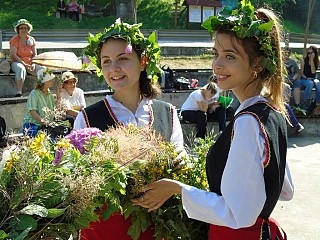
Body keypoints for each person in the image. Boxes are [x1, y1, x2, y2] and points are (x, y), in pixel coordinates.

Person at [133, 1, 294, 240]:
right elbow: (285, 189)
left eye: (230, 56)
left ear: (257, 64)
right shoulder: (272, 112)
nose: (217, 64)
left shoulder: (249, 121)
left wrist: (177, 188)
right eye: (216, 54)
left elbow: (236, 213)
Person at [74, 18, 184, 240]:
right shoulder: (87, 118)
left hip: (157, 229)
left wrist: (181, 162)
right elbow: (77, 179)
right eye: (106, 61)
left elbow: (180, 164)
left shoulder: (168, 113)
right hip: (104, 231)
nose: (114, 68)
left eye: (122, 59)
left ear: (143, 61)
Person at [9, 19, 45, 97]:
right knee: (20, 69)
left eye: (25, 28)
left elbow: (35, 54)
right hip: (17, 62)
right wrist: (25, 64)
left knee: (42, 69)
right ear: (18, 30)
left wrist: (33, 63)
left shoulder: (31, 39)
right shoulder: (14, 40)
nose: (23, 30)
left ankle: (42, 89)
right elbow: (13, 55)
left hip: (30, 62)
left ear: (28, 30)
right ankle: (19, 92)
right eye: (21, 28)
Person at [22, 68, 58, 137]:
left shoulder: (49, 93)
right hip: (31, 125)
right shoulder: (34, 93)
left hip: (45, 125)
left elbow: (54, 109)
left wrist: (58, 95)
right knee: (43, 136)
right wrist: (45, 122)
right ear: (45, 82)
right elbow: (33, 112)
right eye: (51, 79)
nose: (53, 81)